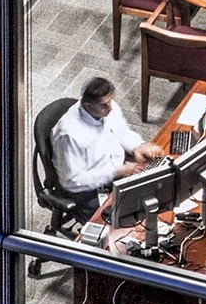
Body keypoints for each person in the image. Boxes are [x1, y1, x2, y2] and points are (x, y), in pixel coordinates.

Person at [51, 76, 160, 221]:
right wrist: (117, 171)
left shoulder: (107, 107)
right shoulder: (69, 135)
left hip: (116, 171)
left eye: (110, 101)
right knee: (126, 222)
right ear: (88, 106)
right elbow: (72, 181)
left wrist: (137, 146)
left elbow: (122, 132)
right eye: (104, 105)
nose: (110, 108)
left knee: (156, 190)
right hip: (86, 189)